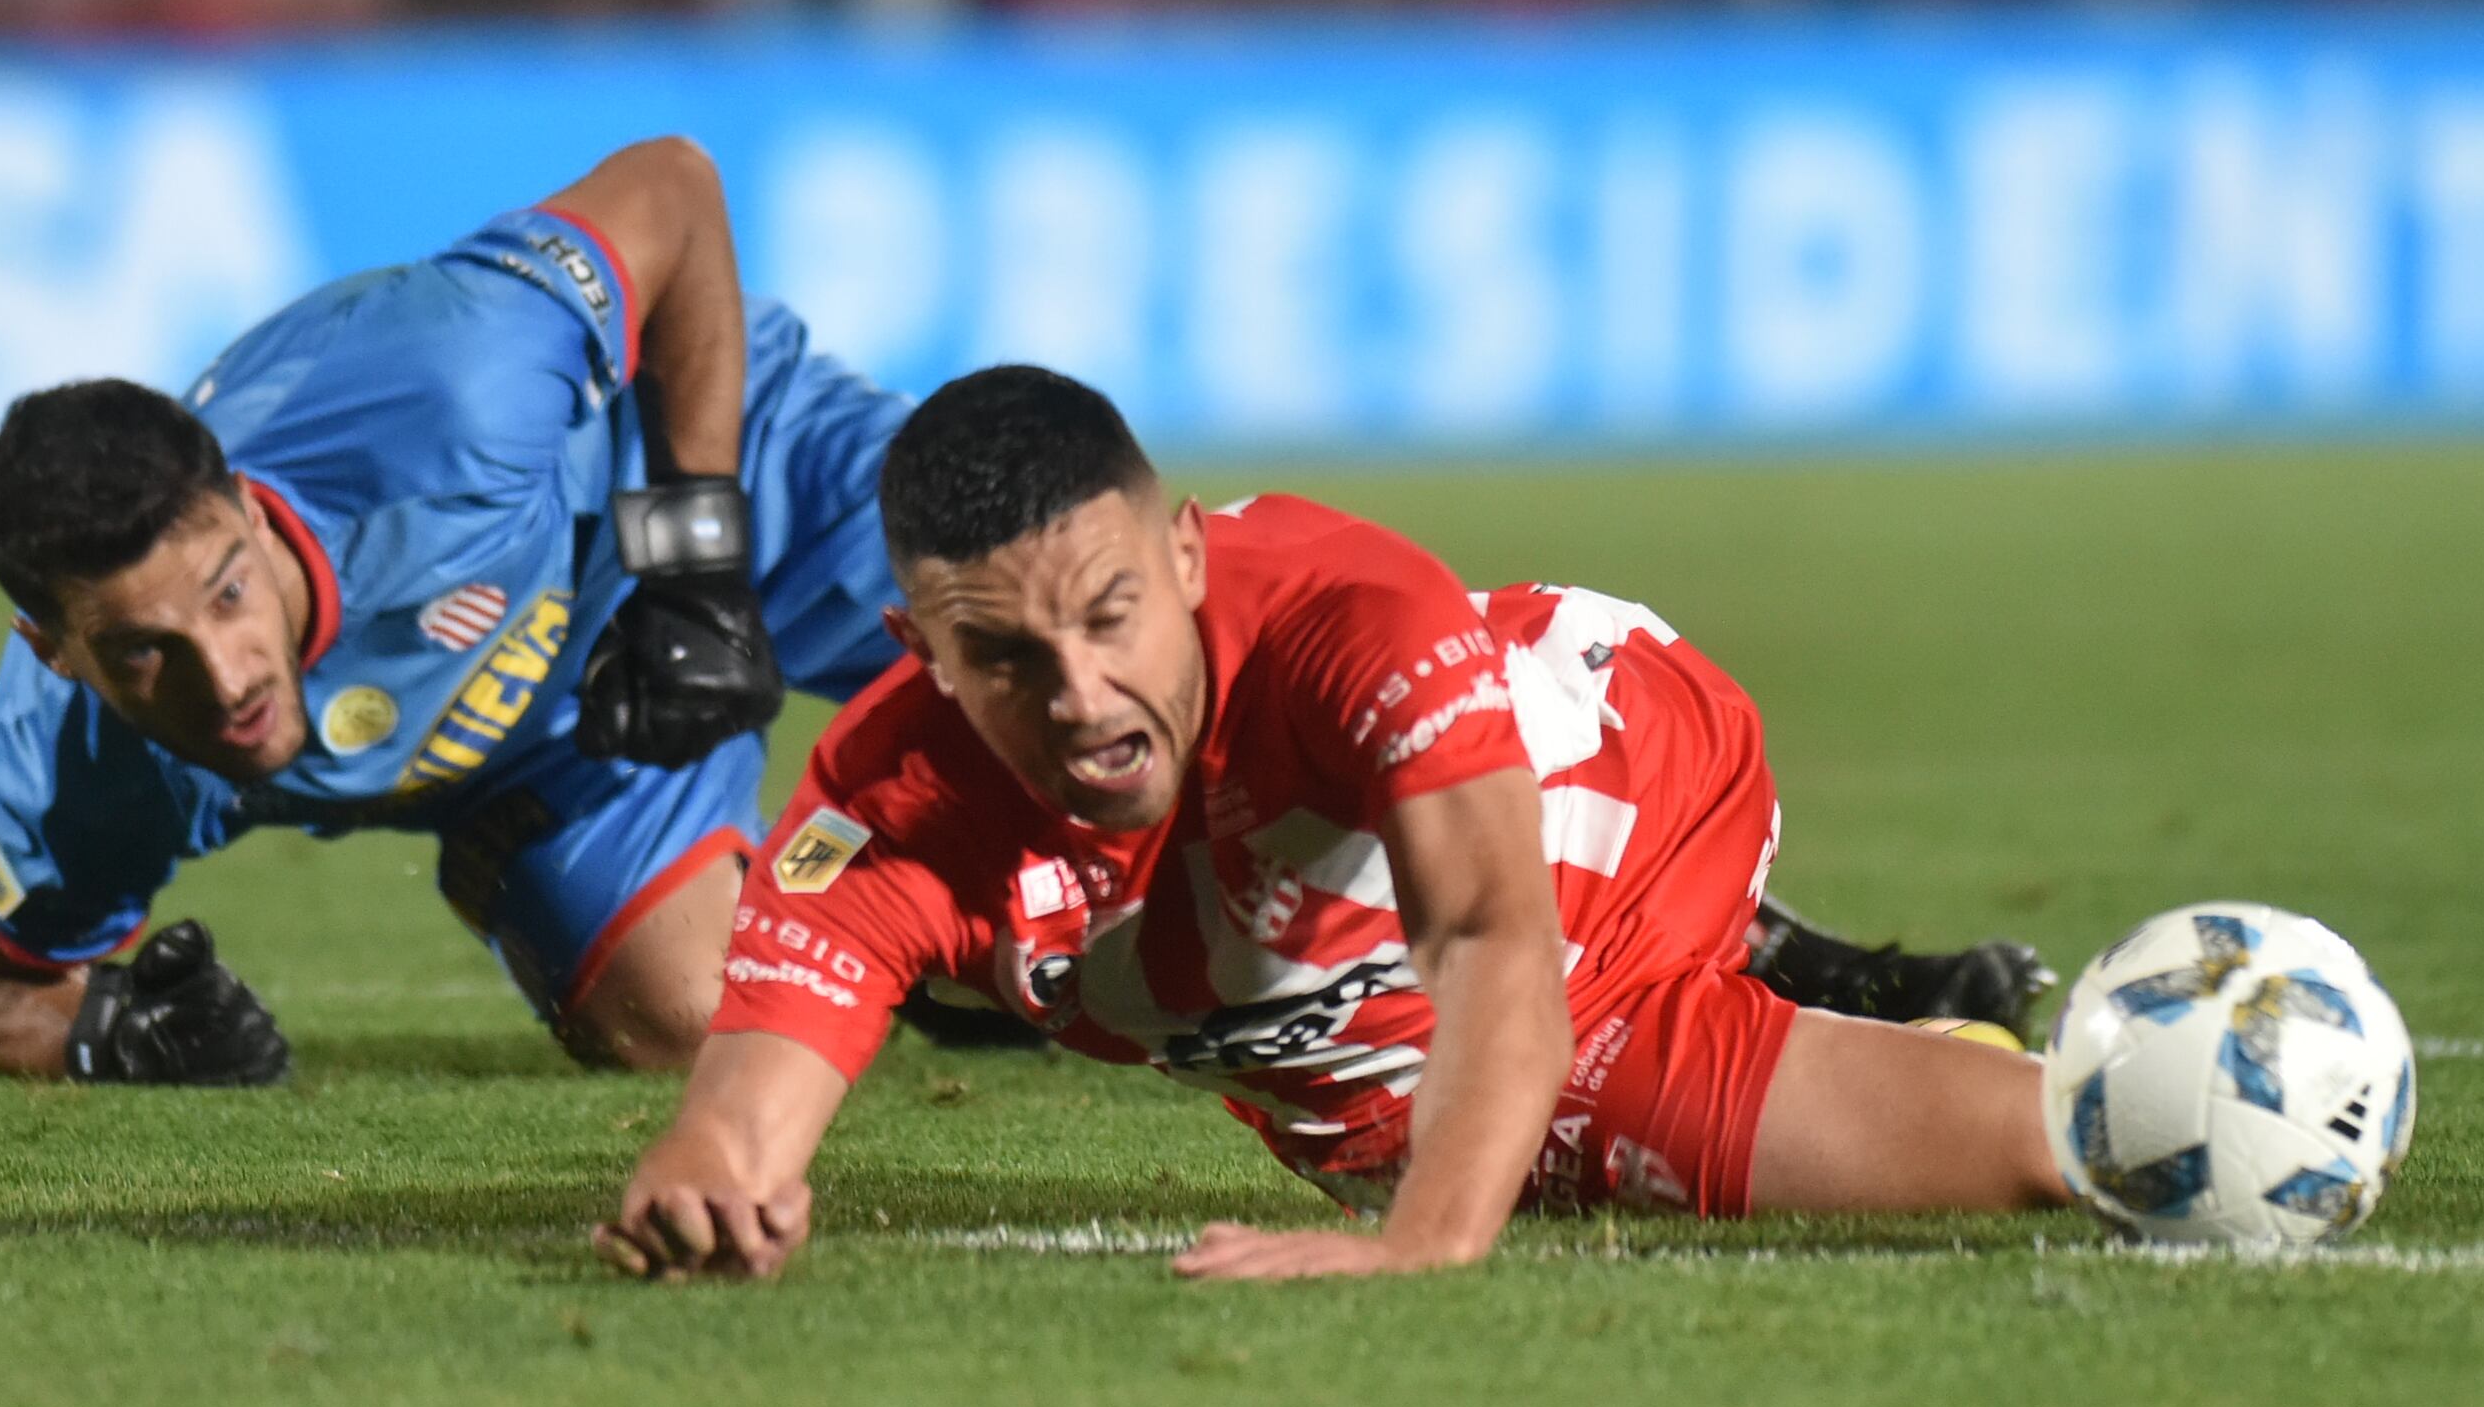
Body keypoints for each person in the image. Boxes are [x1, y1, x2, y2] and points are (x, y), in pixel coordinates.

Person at [602, 365, 2073, 1283]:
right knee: (1294, 1024)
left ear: (1183, 555)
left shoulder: (1341, 620)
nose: (1083, 697)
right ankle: (1817, 999)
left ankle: (1760, 954)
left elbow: (1494, 932)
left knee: (2059, 1145)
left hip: (1619, 809)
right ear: (916, 650)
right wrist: (703, 1187)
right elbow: (740, 1122)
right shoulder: (890, 810)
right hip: (1376, 1064)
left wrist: (1426, 1245)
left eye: (1113, 618)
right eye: (1005, 660)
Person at [0, 133, 914, 1082]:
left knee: (1036, 614)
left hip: (730, 474)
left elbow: (673, 186)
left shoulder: (447, 394)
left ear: (248, 510)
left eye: (228, 593)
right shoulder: (70, 760)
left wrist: (694, 573)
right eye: (142, 652)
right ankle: (938, 921)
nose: (225, 678)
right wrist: (113, 1040)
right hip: (561, 740)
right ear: (56, 656)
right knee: (687, 1016)